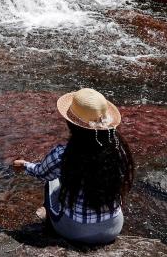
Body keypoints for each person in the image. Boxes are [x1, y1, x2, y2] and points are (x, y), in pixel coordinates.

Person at [13, 88, 134, 244]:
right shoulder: (119, 150)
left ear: (71, 123)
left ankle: (49, 221)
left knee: (51, 181)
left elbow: (40, 172)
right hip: (113, 228)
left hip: (75, 232)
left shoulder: (63, 154)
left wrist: (24, 165)